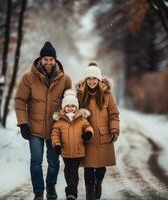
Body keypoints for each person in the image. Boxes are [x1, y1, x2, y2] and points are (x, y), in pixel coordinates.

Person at [14, 41, 72, 200]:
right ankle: (38, 191)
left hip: (55, 129)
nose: (48, 62)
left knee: (54, 163)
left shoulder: (65, 79)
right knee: (36, 161)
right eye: (45, 59)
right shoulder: (28, 77)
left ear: (55, 60)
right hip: (34, 128)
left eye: (51, 59)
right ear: (40, 59)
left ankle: (51, 186)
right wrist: (23, 123)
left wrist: (67, 124)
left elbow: (71, 103)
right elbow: (20, 100)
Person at [76, 61, 120, 200]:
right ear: (85, 79)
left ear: (99, 79)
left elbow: (114, 114)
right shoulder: (80, 94)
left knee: (101, 166)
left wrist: (114, 129)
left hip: (103, 135)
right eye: (89, 78)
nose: (91, 81)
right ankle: (90, 192)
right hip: (87, 136)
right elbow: (75, 113)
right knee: (88, 166)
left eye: (94, 78)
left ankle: (98, 183)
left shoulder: (107, 95)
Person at [51, 89, 94, 200]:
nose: (70, 108)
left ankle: (71, 193)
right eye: (67, 106)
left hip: (78, 151)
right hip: (65, 151)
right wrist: (56, 144)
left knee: (74, 172)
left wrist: (88, 133)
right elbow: (55, 134)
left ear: (77, 107)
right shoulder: (59, 121)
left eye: (73, 106)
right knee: (67, 171)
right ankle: (71, 188)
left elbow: (88, 126)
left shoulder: (81, 119)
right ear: (63, 107)